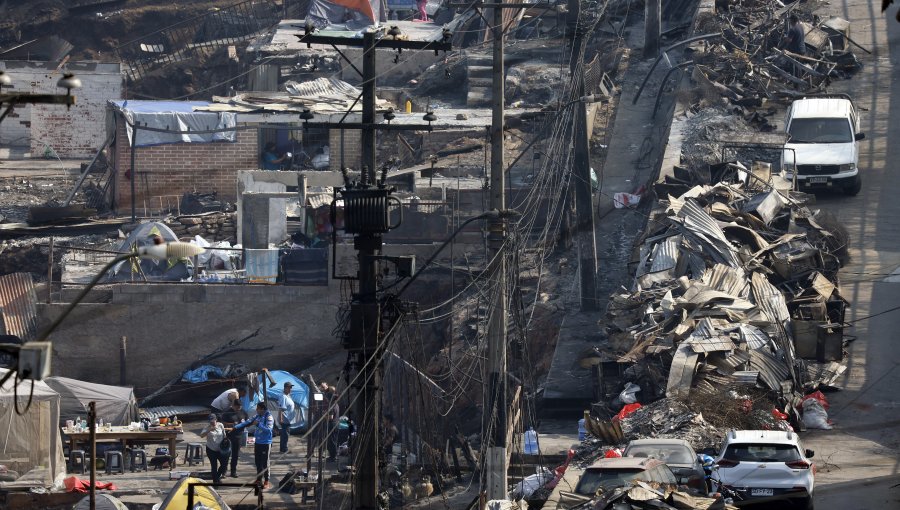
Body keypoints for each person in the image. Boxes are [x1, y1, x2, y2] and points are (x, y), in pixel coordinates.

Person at [234, 402, 275, 489]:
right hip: (258, 442)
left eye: (258, 408)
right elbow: (247, 422)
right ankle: (259, 479)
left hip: (266, 443)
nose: (256, 410)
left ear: (262, 409)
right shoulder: (257, 416)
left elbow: (268, 430)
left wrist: (258, 424)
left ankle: (267, 481)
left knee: (265, 462)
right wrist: (236, 427)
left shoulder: (269, 417)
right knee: (258, 462)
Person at [221, 399, 248, 478]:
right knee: (226, 454)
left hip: (239, 436)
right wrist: (232, 424)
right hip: (229, 435)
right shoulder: (228, 412)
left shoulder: (243, 412)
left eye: (239, 407)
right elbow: (222, 423)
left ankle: (233, 471)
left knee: (235, 455)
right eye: (237, 407)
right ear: (233, 405)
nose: (238, 408)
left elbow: (247, 421)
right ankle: (224, 471)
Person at [199, 414, 230, 484]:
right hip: (211, 449)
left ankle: (217, 477)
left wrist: (226, 442)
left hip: (220, 449)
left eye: (213, 421)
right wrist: (209, 430)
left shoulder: (220, 425)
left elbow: (224, 435)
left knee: (224, 464)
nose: (212, 423)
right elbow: (201, 435)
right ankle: (215, 481)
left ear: (216, 419)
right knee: (214, 466)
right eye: (210, 421)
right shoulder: (207, 427)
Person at [321, 383, 340, 461]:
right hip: (335, 424)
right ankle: (333, 456)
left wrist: (323, 415)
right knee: (333, 440)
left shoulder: (332, 405)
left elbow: (330, 417)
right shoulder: (336, 404)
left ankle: (333, 457)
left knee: (331, 441)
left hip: (332, 424)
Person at [277, 381, 295, 453]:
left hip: (288, 419)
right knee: (285, 434)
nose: (290, 389)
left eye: (291, 388)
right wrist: (281, 419)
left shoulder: (288, 396)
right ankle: (284, 449)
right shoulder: (283, 396)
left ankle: (283, 448)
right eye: (289, 388)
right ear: (285, 388)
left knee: (286, 434)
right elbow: (281, 408)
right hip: (284, 419)